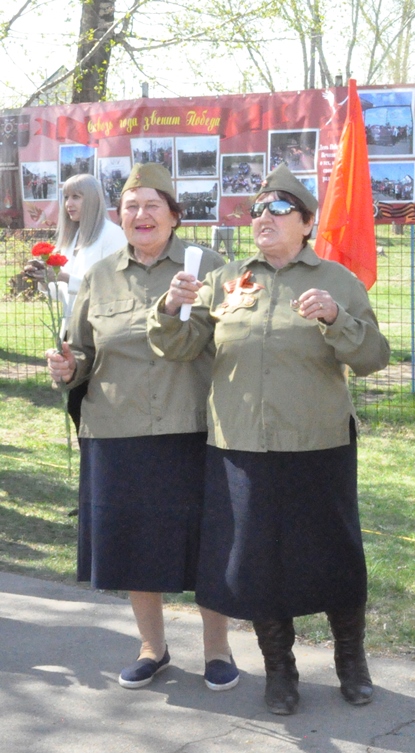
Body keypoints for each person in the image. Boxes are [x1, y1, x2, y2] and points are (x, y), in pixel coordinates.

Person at [148, 165, 390, 716]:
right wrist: (167, 309)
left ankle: (351, 661)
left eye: (279, 209)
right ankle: (279, 669)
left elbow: (374, 357)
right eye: (257, 209)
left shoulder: (337, 280)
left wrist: (335, 319)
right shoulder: (227, 279)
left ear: (306, 223)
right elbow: (181, 347)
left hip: (317, 443)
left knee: (335, 557)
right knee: (255, 562)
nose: (263, 218)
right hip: (240, 445)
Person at [44, 163, 234, 692]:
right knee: (133, 543)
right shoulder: (99, 275)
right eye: (131, 206)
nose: (141, 215)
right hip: (116, 429)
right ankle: (153, 647)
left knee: (204, 543)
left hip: (190, 427)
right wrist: (67, 367)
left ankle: (217, 649)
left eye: (153, 205)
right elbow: (81, 348)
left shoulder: (210, 267)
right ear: (120, 218)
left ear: (175, 215)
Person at [24, 173, 127, 336]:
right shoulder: (72, 237)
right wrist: (44, 278)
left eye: (76, 197)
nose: (68, 204)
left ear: (92, 200)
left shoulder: (113, 235)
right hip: (70, 333)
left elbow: (114, 291)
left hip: (101, 334)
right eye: (66, 197)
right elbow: (62, 295)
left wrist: (64, 277)